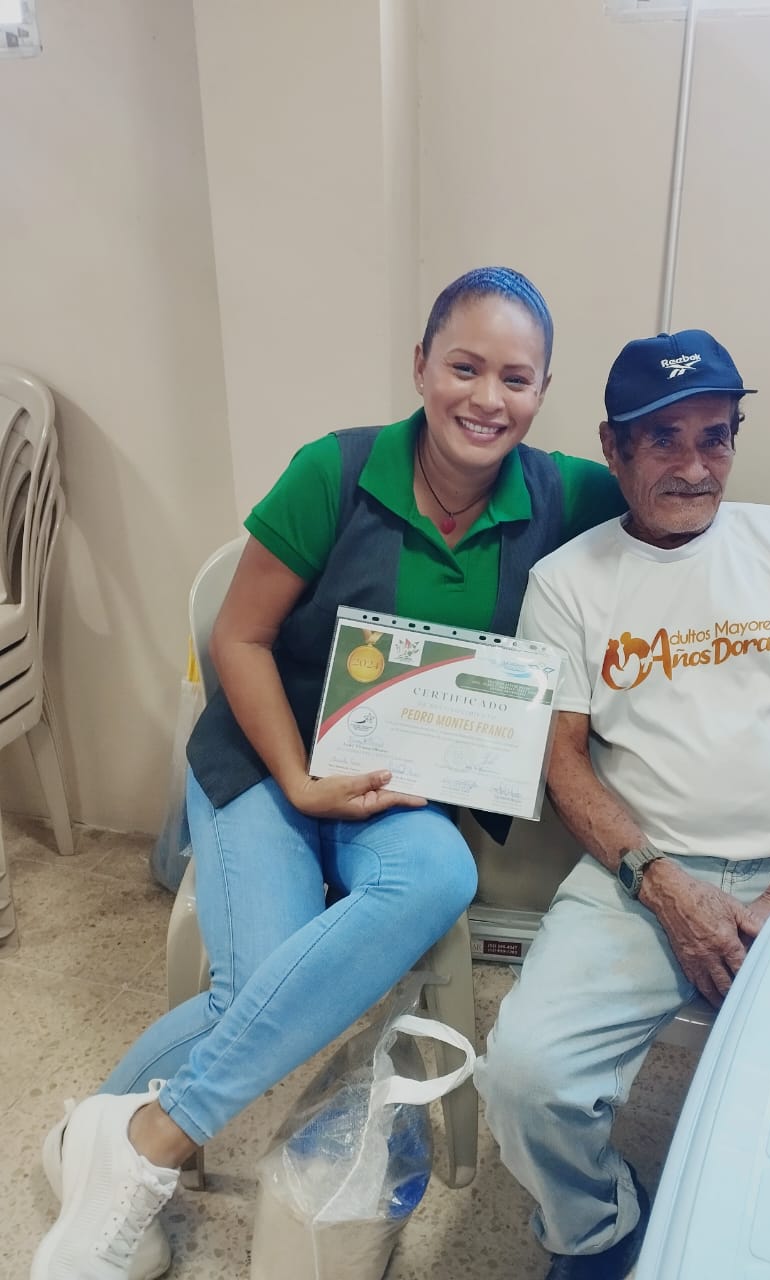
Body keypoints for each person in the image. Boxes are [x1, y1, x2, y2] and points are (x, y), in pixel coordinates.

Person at [31, 267, 629, 1280]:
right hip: (266, 764)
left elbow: (675, 500)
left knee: (442, 872)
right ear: (421, 366)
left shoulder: (564, 492)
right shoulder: (336, 471)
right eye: (464, 367)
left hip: (393, 785)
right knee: (261, 983)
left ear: (541, 391)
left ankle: (114, 1139)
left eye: (516, 378)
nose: (487, 398)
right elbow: (239, 637)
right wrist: (301, 778)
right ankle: (110, 1147)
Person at [474, 329, 770, 1280]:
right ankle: (596, 1230)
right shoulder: (567, 583)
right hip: (638, 878)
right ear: (612, 446)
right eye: (663, 438)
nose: (695, 467)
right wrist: (662, 884)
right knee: (526, 1079)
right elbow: (561, 761)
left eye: (715, 437)